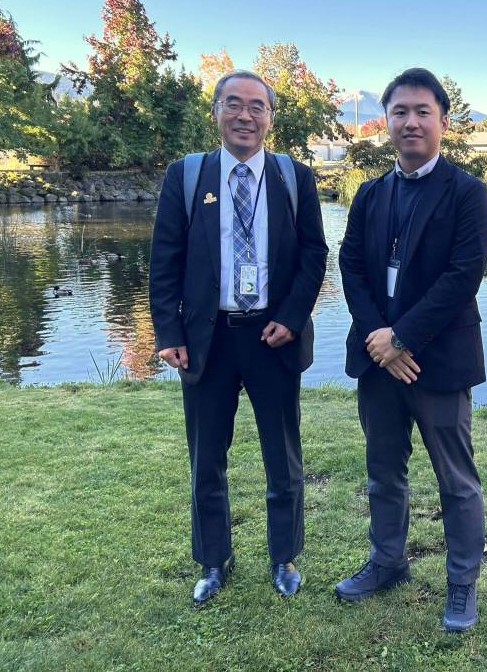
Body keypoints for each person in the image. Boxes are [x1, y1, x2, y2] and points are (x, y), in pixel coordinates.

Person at [149, 70, 327, 604]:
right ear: (217, 113)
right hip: (208, 340)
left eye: (257, 106)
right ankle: (212, 560)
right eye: (233, 104)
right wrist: (168, 331)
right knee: (206, 459)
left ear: (271, 118)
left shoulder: (295, 178)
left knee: (283, 457)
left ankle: (284, 557)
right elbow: (164, 261)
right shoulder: (186, 177)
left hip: (273, 339)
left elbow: (315, 256)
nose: (245, 115)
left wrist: (292, 317)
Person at [336, 67, 487, 632]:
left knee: (456, 480)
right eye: (400, 112)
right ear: (387, 122)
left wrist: (402, 338)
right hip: (379, 362)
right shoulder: (371, 193)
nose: (411, 122)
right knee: (383, 471)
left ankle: (461, 584)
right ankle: (387, 562)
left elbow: (461, 276)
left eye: (423, 111)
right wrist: (381, 338)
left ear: (443, 122)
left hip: (437, 361)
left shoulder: (468, 193)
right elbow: (350, 265)